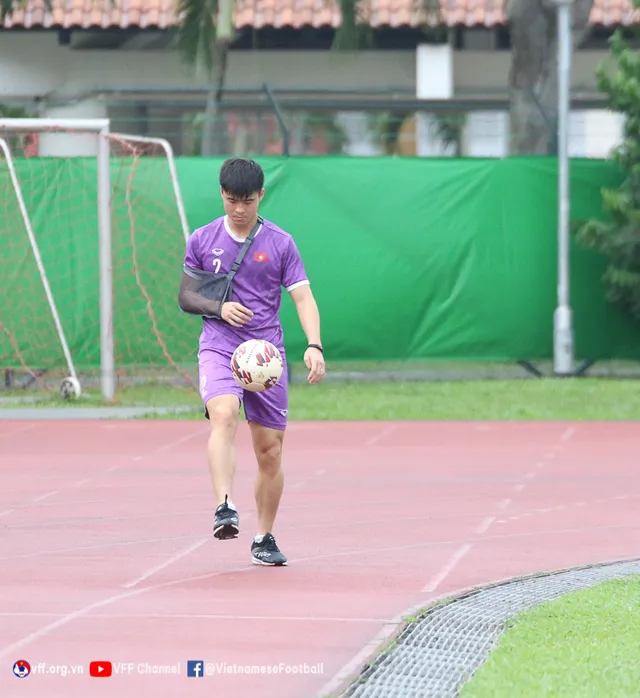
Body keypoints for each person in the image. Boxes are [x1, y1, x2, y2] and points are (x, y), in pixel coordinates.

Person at [178, 157, 325, 567]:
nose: (239, 209)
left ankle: (264, 536)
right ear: (221, 195)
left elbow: (302, 296)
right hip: (220, 345)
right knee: (223, 414)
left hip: (266, 357)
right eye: (231, 200)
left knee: (269, 452)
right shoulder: (203, 239)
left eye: (247, 200)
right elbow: (186, 297)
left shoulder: (280, 242)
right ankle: (224, 506)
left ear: (261, 195)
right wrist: (219, 308)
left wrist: (314, 344)